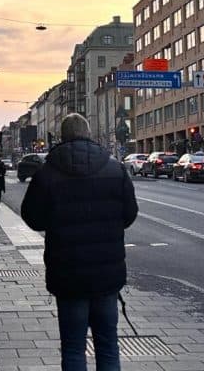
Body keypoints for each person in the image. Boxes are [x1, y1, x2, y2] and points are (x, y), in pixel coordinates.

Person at [22, 113, 138, 371]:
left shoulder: (47, 172)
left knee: (74, 347)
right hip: (106, 275)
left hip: (68, 274)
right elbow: (129, 215)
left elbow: (32, 217)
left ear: (61, 137)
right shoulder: (114, 169)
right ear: (88, 134)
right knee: (108, 346)